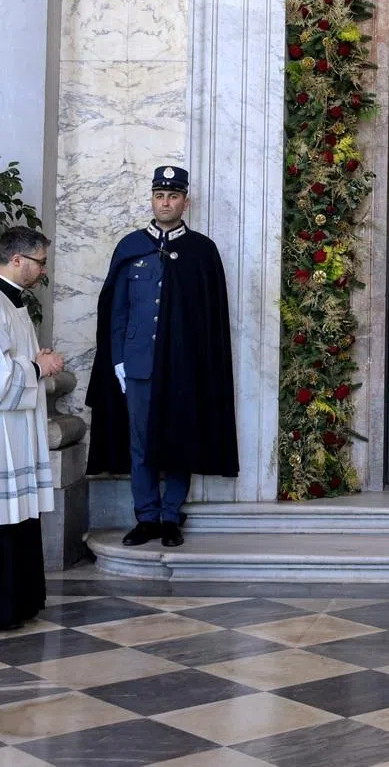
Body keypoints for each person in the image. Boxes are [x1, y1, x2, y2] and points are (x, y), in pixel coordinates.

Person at [86, 166, 238, 547]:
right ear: (152, 200)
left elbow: (210, 318)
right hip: (138, 364)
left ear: (186, 201)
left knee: (180, 437)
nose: (165, 202)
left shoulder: (202, 251)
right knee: (139, 442)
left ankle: (172, 515)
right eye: (159, 196)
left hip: (184, 365)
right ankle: (147, 517)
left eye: (173, 196)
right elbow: (116, 310)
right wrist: (118, 361)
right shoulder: (130, 246)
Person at [0, 228, 62, 630]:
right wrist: (41, 367)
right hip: (3, 431)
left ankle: (22, 601)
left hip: (18, 428)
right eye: (39, 262)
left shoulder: (15, 304)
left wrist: (33, 359)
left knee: (19, 516)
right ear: (17, 259)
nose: (43, 270)